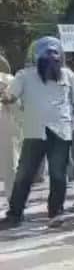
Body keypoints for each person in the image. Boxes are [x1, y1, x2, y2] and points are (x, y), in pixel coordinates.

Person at [1, 37, 74, 228]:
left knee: (58, 175)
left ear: (61, 58)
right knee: (24, 175)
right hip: (34, 132)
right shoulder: (24, 75)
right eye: (47, 54)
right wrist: (6, 96)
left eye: (55, 54)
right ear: (38, 57)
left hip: (61, 132)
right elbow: (11, 96)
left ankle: (56, 213)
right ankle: (14, 214)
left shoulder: (68, 75)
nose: (52, 58)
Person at [0, 56, 15, 197]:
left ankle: (13, 202)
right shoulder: (9, 79)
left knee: (9, 165)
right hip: (6, 126)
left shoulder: (8, 80)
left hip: (6, 126)